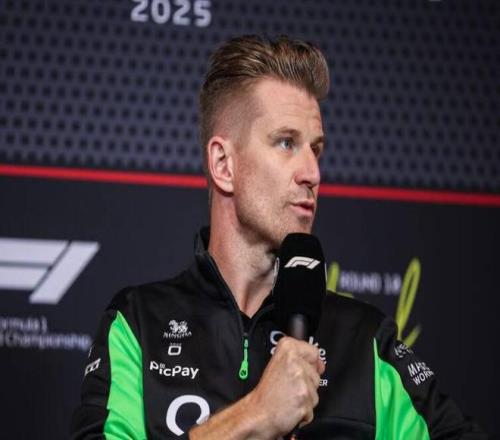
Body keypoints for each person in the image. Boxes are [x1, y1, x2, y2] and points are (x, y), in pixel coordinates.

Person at [71, 35, 485, 439]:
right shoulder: (138, 324)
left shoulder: (364, 340)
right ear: (223, 165)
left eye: (316, 149)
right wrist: (256, 415)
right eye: (286, 143)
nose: (312, 173)